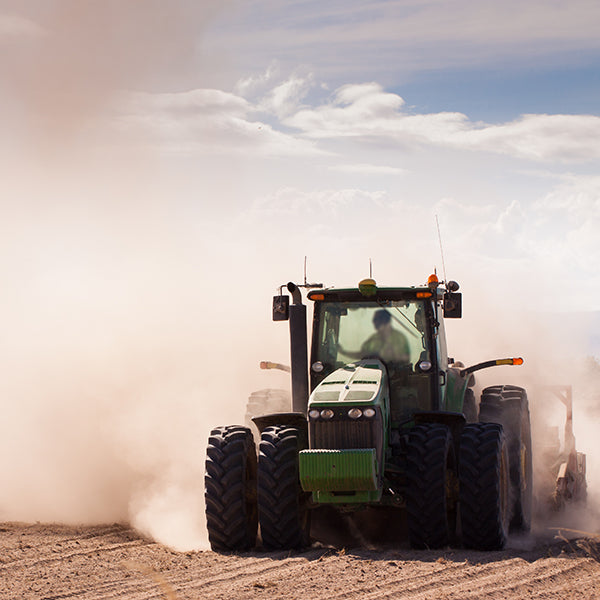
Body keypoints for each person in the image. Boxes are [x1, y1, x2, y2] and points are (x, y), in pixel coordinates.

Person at [340, 309, 410, 364]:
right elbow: (362, 354)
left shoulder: (399, 338)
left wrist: (391, 356)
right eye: (375, 321)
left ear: (386, 322)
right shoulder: (374, 338)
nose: (374, 324)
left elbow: (405, 359)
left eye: (377, 321)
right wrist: (343, 352)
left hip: (394, 378)